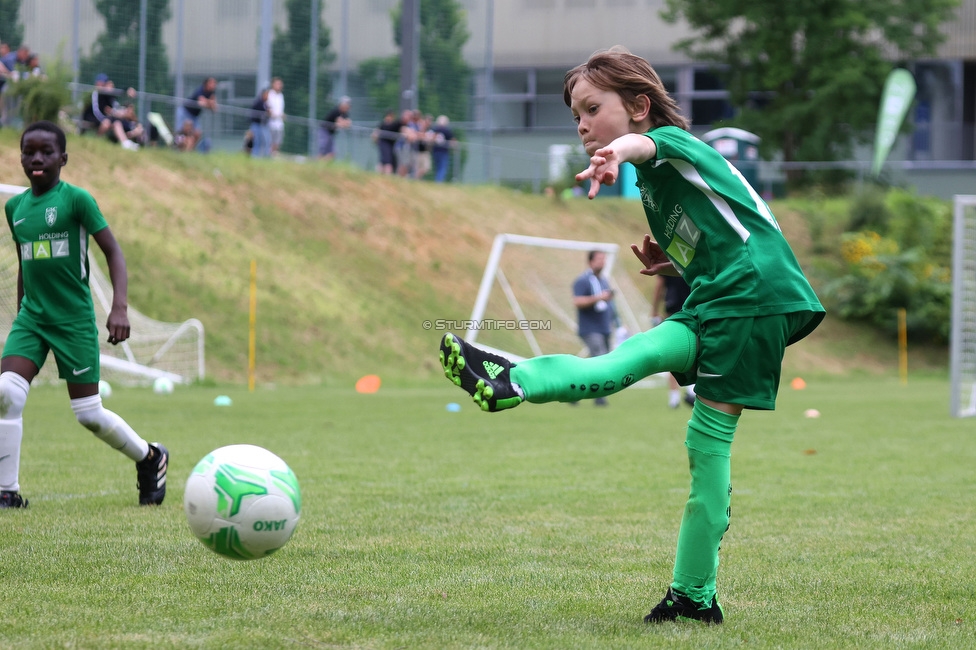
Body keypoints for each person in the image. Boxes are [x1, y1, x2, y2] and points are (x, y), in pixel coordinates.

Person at [437, 46, 824, 624]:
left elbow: (647, 144)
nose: (583, 126)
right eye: (576, 116)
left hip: (755, 299)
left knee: (707, 443)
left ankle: (694, 597)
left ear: (640, 105)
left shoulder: (672, 147)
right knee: (627, 358)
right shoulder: (651, 185)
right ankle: (512, 378)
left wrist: (616, 152)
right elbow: (719, 234)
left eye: (593, 109)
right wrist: (676, 264)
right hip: (720, 298)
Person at [0, 121, 169, 509]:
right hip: (32, 320)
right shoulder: (15, 208)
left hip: (74, 321)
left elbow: (114, 252)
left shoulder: (77, 200)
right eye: (29, 151)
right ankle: (7, 491)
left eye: (46, 152)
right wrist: (24, 311)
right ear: (21, 157)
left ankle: (150, 457)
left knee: (89, 415)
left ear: (63, 158)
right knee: (7, 392)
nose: (37, 158)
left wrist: (119, 307)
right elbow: (26, 263)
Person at [572, 251, 615, 406]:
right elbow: (577, 301)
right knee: (600, 359)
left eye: (604, 259)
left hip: (604, 328)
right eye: (599, 259)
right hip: (590, 328)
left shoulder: (604, 281)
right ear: (590, 261)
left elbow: (609, 305)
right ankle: (600, 397)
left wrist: (617, 322)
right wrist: (598, 297)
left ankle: (574, 392)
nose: (602, 262)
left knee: (595, 363)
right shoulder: (582, 280)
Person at [652, 274, 697, 408]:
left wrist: (654, 310)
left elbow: (659, 286)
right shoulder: (688, 258)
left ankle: (677, 397)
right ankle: (684, 394)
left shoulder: (670, 258)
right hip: (687, 310)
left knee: (676, 353)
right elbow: (660, 284)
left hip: (680, 310)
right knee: (691, 352)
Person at [80, 74, 142, 150]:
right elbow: (96, 112)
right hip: (93, 118)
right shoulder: (95, 94)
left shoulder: (108, 96)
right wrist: (107, 118)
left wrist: (127, 89)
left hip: (106, 119)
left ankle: (125, 143)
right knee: (107, 123)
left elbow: (118, 94)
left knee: (117, 123)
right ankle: (97, 139)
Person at [180, 77, 218, 152]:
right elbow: (201, 103)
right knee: (185, 133)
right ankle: (181, 150)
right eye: (212, 83)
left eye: (214, 83)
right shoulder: (200, 90)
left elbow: (215, 108)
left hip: (195, 116)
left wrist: (209, 103)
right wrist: (210, 103)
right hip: (186, 113)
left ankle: (190, 151)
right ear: (206, 84)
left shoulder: (211, 93)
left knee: (198, 134)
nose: (214, 85)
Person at [319, 96, 351, 161]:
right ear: (342, 105)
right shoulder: (336, 111)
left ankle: (322, 165)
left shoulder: (345, 114)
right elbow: (340, 123)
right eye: (347, 105)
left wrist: (344, 123)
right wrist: (343, 123)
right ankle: (317, 163)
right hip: (325, 131)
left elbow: (348, 123)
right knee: (323, 151)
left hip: (331, 133)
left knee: (332, 153)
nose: (348, 107)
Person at [372, 109, 402, 175]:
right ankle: (385, 176)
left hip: (390, 146)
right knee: (386, 162)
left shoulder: (393, 125)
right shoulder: (383, 124)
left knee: (386, 162)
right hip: (384, 144)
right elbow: (375, 134)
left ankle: (383, 175)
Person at [430, 115, 456, 183]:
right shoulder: (447, 131)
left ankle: (437, 180)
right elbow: (453, 141)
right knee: (442, 167)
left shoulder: (434, 129)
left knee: (437, 167)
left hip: (435, 151)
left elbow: (430, 138)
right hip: (444, 152)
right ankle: (439, 181)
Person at [248, 88, 270, 158]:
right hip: (256, 124)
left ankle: (263, 155)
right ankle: (255, 155)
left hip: (261, 125)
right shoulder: (259, 102)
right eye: (267, 94)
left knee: (262, 140)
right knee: (256, 140)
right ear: (263, 94)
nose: (268, 96)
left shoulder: (264, 103)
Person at [266, 77, 285, 156]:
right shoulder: (270, 94)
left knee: (278, 142)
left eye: (280, 84)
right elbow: (268, 109)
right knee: (270, 142)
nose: (279, 85)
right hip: (271, 123)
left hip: (279, 124)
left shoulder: (281, 95)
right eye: (277, 84)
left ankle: (274, 156)